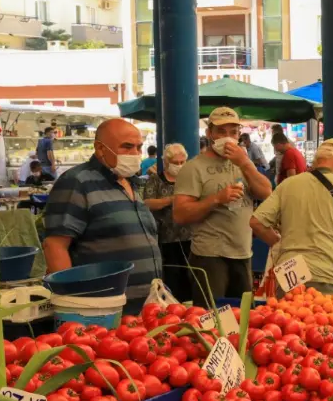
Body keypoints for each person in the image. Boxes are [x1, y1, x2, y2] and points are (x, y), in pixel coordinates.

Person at [42, 119, 163, 313]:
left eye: (139, 147)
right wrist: (74, 304)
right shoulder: (77, 181)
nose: (135, 154)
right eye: (127, 147)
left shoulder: (132, 183)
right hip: (103, 308)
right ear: (100, 148)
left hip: (147, 306)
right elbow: (55, 245)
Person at [173, 107, 273, 307]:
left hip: (243, 253)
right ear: (209, 133)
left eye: (233, 132)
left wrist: (245, 162)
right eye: (221, 131)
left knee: (243, 320)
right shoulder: (193, 168)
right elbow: (180, 215)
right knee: (211, 319)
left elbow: (266, 192)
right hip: (210, 256)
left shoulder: (243, 163)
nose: (227, 137)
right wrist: (216, 199)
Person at [251, 139, 333, 295]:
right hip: (325, 273)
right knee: (320, 316)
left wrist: (277, 242)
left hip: (289, 273)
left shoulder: (288, 184)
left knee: (288, 316)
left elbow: (256, 222)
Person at [143, 144, 195, 303]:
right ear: (166, 162)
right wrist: (170, 200)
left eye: (182, 162)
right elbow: (147, 202)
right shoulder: (155, 179)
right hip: (166, 238)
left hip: (190, 237)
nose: (179, 166)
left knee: (191, 277)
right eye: (176, 162)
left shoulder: (190, 179)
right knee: (171, 276)